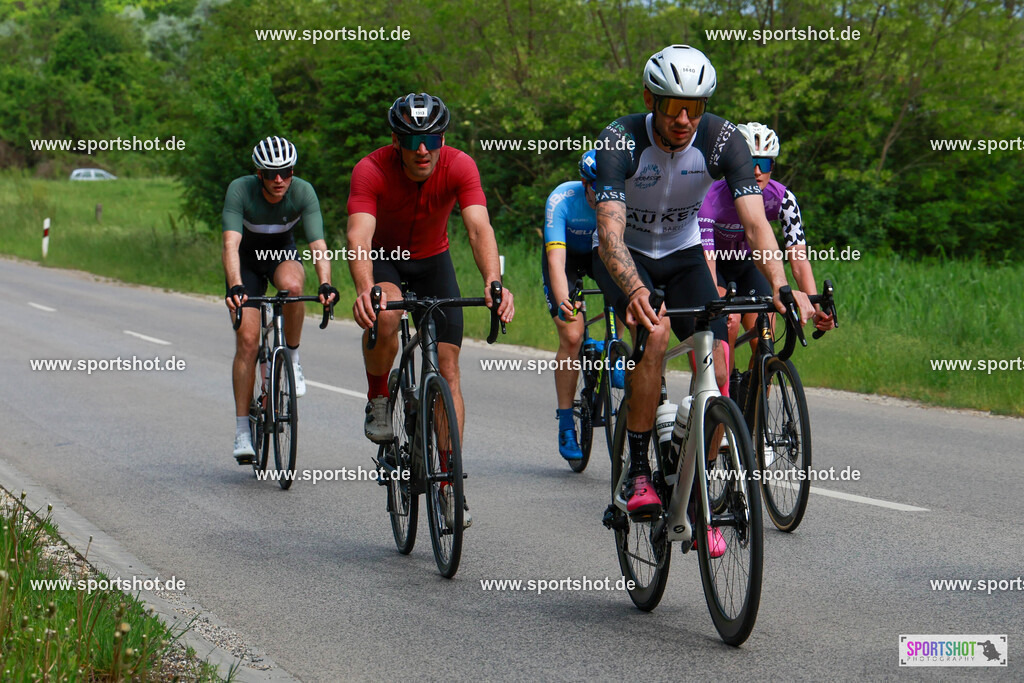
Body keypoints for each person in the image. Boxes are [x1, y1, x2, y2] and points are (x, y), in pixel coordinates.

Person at [592, 45, 813, 528]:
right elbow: (609, 234)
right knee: (653, 333)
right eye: (674, 106)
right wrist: (633, 290)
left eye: (696, 106)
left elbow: (756, 225)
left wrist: (780, 284)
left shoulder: (723, 141)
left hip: (683, 252)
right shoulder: (618, 140)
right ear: (651, 99)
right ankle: (640, 472)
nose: (685, 119)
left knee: (718, 345)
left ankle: (700, 473)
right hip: (625, 253)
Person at [347, 92, 515, 528]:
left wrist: (494, 283)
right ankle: (379, 398)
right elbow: (359, 237)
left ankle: (447, 481)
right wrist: (366, 289)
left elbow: (479, 228)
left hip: (432, 263)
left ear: (443, 137)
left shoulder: (459, 165)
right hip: (385, 257)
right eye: (412, 138)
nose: (423, 149)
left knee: (449, 369)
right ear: (396, 139)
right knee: (386, 313)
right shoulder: (371, 169)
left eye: (432, 138)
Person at [223, 136, 339, 463]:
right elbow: (231, 245)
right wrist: (235, 286)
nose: (279, 180)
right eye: (271, 173)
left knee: (292, 286)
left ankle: (294, 358)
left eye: (286, 172)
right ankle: (243, 429)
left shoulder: (302, 191)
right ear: (258, 173)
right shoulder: (239, 190)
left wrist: (326, 283)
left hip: (280, 255)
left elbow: (317, 244)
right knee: (247, 340)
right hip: (246, 263)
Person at [699, 122, 835, 362]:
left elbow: (799, 260)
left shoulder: (783, 200)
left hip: (751, 266)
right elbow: (707, 259)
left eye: (765, 164)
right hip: (716, 267)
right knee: (727, 325)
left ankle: (757, 392)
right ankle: (722, 395)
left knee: (766, 336)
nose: (757, 172)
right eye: (750, 163)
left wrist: (815, 306)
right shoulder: (710, 198)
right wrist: (716, 305)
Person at [542, 150, 604, 462]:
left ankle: (611, 350)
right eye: (597, 188)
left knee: (630, 296)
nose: (603, 195)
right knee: (571, 335)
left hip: (599, 252)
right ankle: (566, 422)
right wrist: (566, 302)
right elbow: (556, 259)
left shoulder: (622, 200)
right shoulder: (561, 199)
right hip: (565, 258)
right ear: (585, 183)